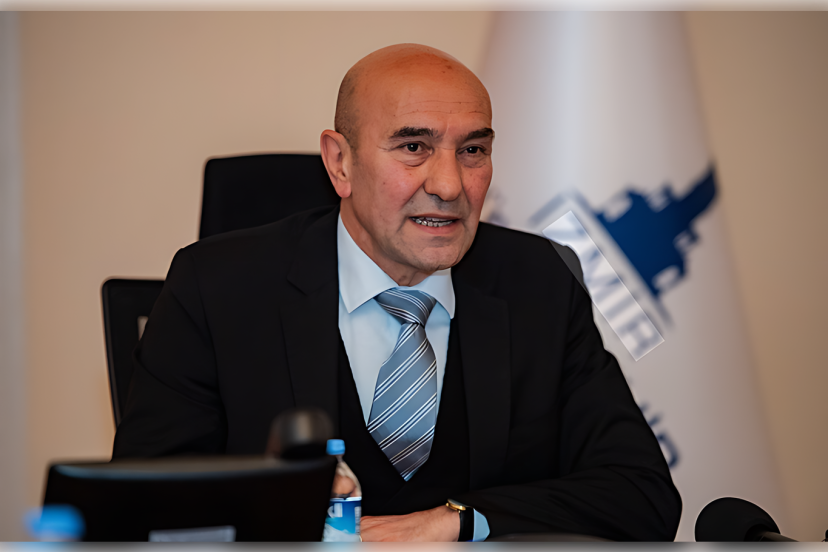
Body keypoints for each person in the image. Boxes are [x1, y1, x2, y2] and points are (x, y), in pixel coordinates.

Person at [112, 44, 681, 542]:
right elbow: (137, 508)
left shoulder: (539, 282)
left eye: (473, 150)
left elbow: (641, 495)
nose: (450, 185)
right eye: (413, 147)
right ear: (340, 162)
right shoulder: (217, 287)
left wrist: (459, 522)